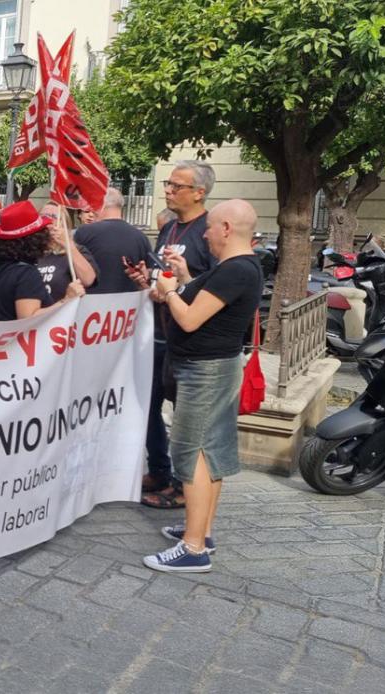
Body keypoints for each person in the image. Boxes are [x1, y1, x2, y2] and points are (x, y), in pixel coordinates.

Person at [140, 200, 263, 572]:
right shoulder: (239, 267)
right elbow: (209, 303)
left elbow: (191, 319)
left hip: (205, 371)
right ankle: (201, 531)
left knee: (192, 453)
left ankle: (192, 548)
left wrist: (170, 290)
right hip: (214, 367)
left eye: (209, 227)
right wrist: (186, 277)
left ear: (226, 228)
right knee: (212, 451)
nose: (205, 234)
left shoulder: (235, 269)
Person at [131, 162, 217, 509]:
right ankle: (161, 471)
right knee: (149, 407)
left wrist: (179, 284)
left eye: (176, 185)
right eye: (167, 183)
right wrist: (148, 281)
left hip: (192, 342)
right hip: (160, 334)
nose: (167, 190)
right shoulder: (169, 228)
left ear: (199, 192)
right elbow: (161, 274)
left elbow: (215, 283)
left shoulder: (210, 232)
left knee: (186, 418)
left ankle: (185, 487)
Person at [0, 200, 85, 321]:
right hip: (21, 338)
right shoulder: (26, 274)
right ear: (35, 238)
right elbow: (29, 319)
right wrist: (67, 299)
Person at [74, 187, 154, 294]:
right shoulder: (141, 237)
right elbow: (148, 275)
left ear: (99, 204)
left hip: (91, 303)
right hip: (128, 306)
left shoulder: (84, 232)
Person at [37, 201, 98, 304]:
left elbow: (88, 280)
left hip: (61, 316)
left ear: (64, 223)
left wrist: (68, 244)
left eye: (53, 216)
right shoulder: (30, 251)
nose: (48, 220)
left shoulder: (75, 251)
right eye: (43, 216)